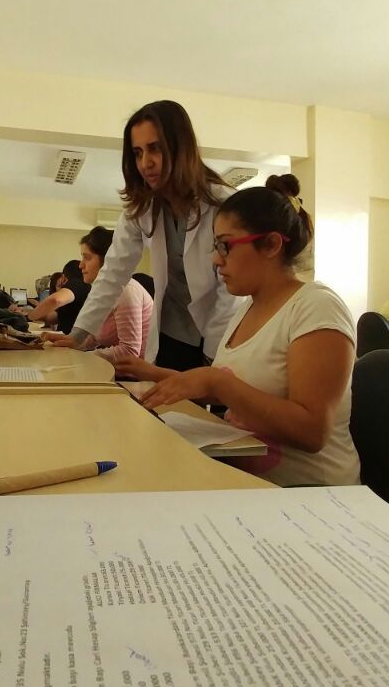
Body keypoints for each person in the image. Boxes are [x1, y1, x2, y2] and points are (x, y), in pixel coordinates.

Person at [137, 175, 360, 487]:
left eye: (225, 246)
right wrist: (149, 373)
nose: (216, 259)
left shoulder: (316, 307)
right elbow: (230, 388)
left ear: (271, 244)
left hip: (305, 493)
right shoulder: (246, 309)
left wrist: (215, 380)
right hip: (245, 480)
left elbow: (312, 432)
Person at [51, 100, 238, 369]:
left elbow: (231, 293)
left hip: (221, 327)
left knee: (213, 394)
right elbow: (113, 273)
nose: (145, 163)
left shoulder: (224, 204)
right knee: (169, 396)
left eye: (155, 148)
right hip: (173, 331)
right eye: (137, 153)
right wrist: (78, 335)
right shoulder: (142, 209)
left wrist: (214, 354)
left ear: (180, 147)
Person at [46, 227, 153, 365]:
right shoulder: (101, 291)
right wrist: (68, 344)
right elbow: (94, 339)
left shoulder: (126, 290)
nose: (80, 265)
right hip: (118, 370)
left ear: (107, 260)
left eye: (87, 258)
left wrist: (84, 357)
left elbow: (130, 351)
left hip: (136, 374)